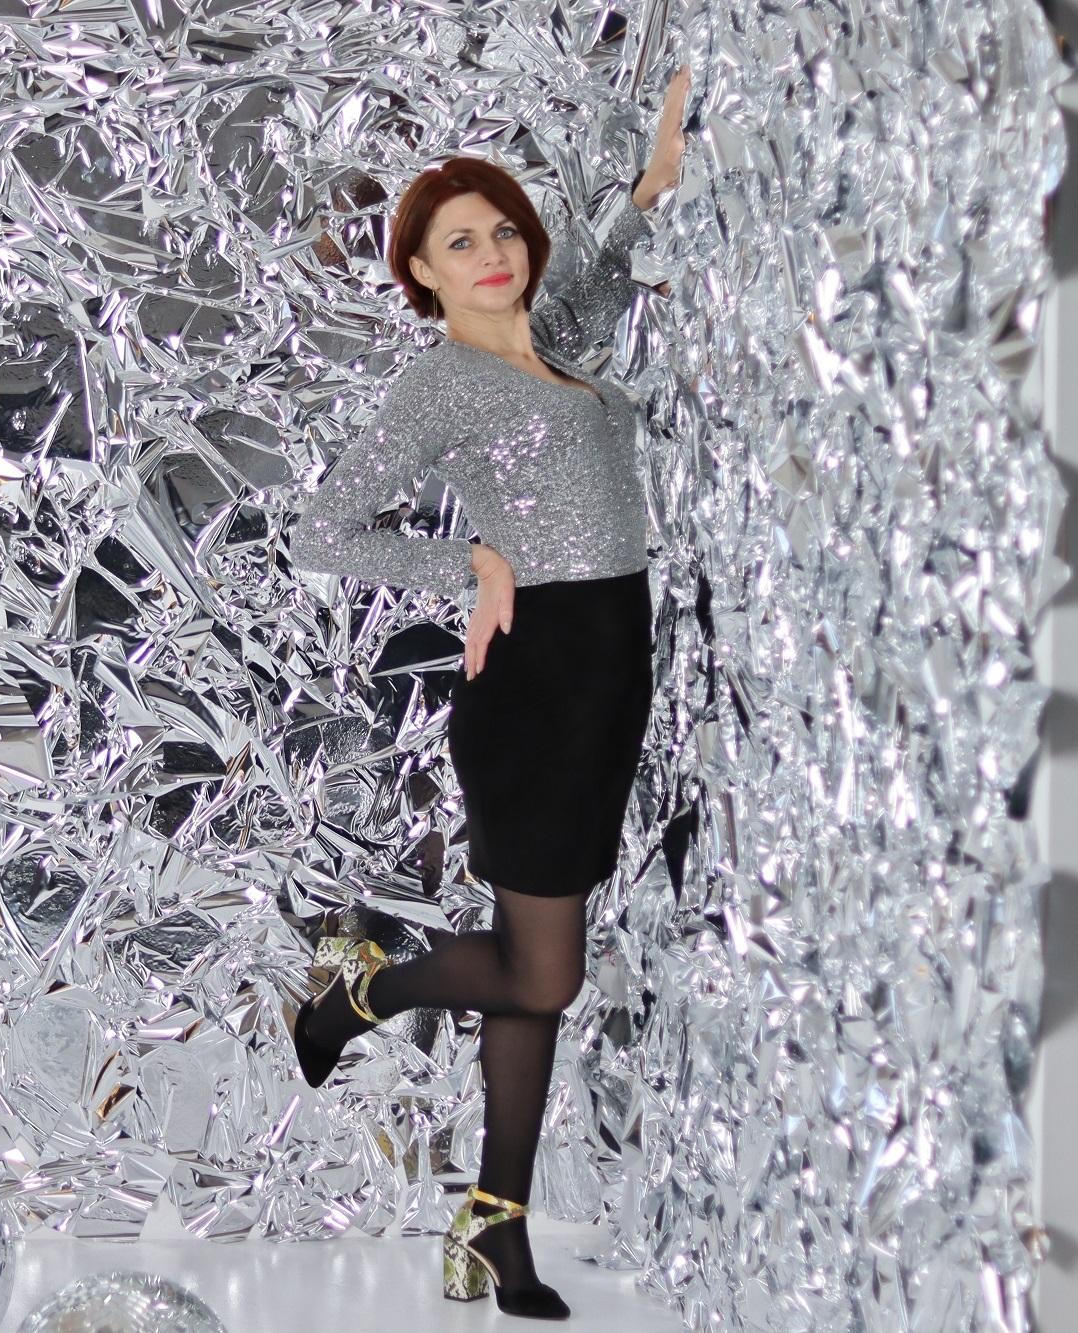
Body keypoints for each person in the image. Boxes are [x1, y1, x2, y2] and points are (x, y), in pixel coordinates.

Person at [288, 67, 693, 1322]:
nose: (492, 253)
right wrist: (465, 560)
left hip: (609, 671)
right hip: (532, 682)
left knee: (529, 964)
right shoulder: (441, 382)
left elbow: (604, 258)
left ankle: (492, 1225)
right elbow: (320, 532)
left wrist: (653, 176)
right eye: (458, 242)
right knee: (544, 974)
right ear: (418, 271)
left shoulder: (552, 340)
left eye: (501, 229)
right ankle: (361, 992)